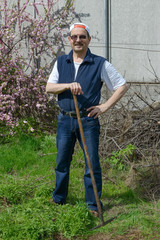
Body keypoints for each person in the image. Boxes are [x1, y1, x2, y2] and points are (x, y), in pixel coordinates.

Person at [46, 22, 128, 216]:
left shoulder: (99, 63)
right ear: (69, 40)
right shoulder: (61, 62)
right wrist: (68, 85)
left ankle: (93, 205)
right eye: (74, 36)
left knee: (91, 163)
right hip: (65, 120)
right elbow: (49, 87)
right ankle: (59, 198)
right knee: (62, 162)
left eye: (82, 37)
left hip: (88, 121)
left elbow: (122, 86)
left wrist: (104, 106)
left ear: (88, 40)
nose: (78, 40)